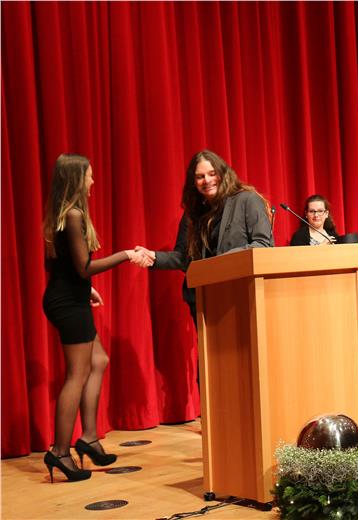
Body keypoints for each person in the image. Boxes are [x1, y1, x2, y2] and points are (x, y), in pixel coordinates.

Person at [42, 154, 152, 482]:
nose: (93, 181)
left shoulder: (66, 214)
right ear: (77, 179)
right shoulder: (73, 215)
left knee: (99, 360)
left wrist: (87, 290)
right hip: (67, 304)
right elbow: (83, 268)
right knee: (77, 374)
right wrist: (126, 255)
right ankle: (60, 452)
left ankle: (89, 438)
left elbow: (64, 267)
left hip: (71, 298)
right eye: (89, 176)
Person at [135, 150, 274, 323]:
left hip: (242, 295)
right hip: (204, 300)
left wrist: (219, 263)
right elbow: (184, 258)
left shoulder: (247, 200)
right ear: (193, 182)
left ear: (223, 173)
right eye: (200, 177)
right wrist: (153, 257)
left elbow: (262, 245)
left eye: (212, 174)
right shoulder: (192, 214)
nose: (207, 180)